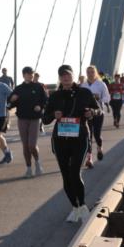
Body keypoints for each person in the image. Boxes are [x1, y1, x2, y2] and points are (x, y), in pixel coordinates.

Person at [43, 65, 101, 224]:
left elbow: (99, 110)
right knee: (66, 177)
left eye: (68, 75)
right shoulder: (55, 96)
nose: (65, 78)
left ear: (73, 75)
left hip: (80, 138)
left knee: (75, 173)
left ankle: (82, 206)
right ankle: (75, 208)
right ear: (59, 78)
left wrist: (91, 113)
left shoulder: (84, 93)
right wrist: (53, 115)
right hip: (60, 140)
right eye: (62, 76)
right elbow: (45, 119)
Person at [9, 66, 47, 177]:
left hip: (35, 118)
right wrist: (12, 100)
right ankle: (29, 168)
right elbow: (10, 103)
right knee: (25, 146)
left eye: (31, 73)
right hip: (22, 118)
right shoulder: (19, 88)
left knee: (32, 145)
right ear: (23, 75)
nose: (30, 75)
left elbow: (45, 101)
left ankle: (38, 162)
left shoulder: (38, 87)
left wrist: (40, 107)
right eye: (28, 74)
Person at [83, 65, 111, 168]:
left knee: (97, 134)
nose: (90, 74)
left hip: (98, 113)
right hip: (87, 114)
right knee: (88, 135)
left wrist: (100, 100)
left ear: (96, 73)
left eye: (92, 72)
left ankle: (99, 147)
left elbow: (107, 98)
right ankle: (89, 158)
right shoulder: (83, 85)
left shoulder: (101, 84)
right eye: (88, 72)